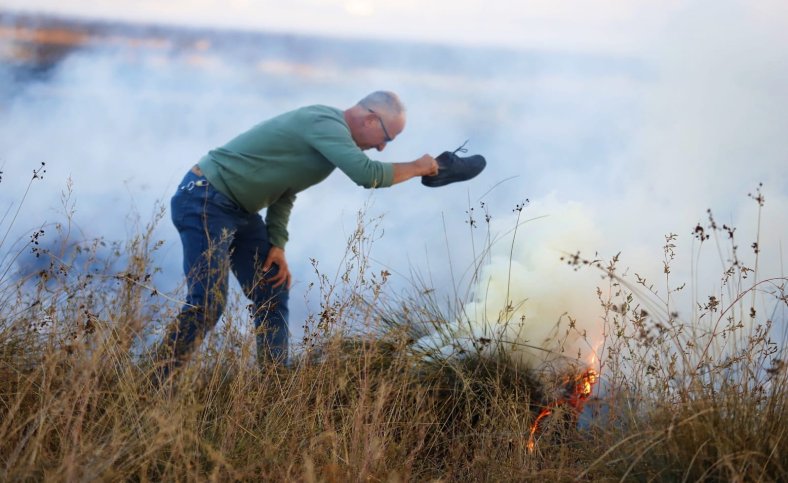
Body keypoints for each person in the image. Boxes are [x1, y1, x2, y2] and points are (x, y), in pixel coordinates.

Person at [157, 91, 438, 375]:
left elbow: (286, 190)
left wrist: (276, 244)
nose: (381, 148)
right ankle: (154, 380)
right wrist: (417, 168)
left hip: (239, 211)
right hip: (205, 199)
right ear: (371, 119)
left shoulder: (331, 138)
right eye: (387, 138)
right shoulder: (326, 123)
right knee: (208, 303)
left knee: (272, 286)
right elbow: (367, 174)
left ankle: (275, 385)